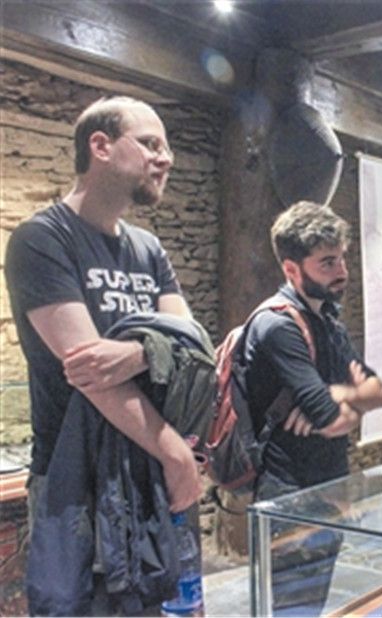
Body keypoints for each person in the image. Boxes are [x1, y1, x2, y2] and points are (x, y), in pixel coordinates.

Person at [5, 96, 202, 611]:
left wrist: (139, 353)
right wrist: (175, 451)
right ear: (101, 146)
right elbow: (91, 372)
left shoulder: (148, 249)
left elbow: (193, 346)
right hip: (76, 480)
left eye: (166, 147)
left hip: (146, 470)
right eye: (150, 144)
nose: (166, 158)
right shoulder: (41, 239)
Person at [244, 201, 382, 499]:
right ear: (291, 269)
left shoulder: (329, 321)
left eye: (342, 259)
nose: (342, 272)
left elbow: (378, 393)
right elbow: (335, 420)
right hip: (287, 491)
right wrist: (352, 399)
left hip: (331, 483)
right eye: (327, 263)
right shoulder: (278, 326)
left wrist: (340, 395)